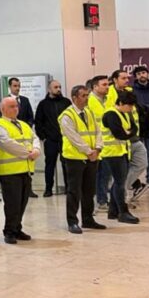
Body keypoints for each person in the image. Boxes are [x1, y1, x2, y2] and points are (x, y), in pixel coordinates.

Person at [0, 97, 41, 244]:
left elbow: (34, 138)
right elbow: (7, 144)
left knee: (22, 202)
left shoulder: (23, 124)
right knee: (12, 203)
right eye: (12, 106)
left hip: (25, 168)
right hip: (8, 171)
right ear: (3, 109)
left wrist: (37, 150)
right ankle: (9, 231)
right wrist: (28, 153)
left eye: (16, 106)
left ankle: (17, 228)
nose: (15, 109)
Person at [60, 85, 106, 233]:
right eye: (84, 96)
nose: (87, 98)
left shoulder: (89, 112)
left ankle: (88, 219)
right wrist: (88, 151)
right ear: (75, 98)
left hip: (92, 156)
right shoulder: (67, 115)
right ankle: (72, 221)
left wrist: (98, 148)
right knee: (74, 191)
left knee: (89, 190)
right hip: (75, 158)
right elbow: (74, 137)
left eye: (87, 95)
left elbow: (98, 131)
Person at [102, 92, 141, 224]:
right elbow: (119, 134)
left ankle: (113, 211)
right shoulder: (111, 114)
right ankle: (122, 212)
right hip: (111, 153)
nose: (130, 109)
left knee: (119, 181)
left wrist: (128, 133)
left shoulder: (124, 113)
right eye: (128, 106)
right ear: (120, 103)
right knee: (119, 183)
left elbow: (134, 129)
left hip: (122, 151)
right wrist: (127, 133)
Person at [34, 80, 71, 197]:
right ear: (49, 89)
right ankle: (48, 188)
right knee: (49, 164)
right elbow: (38, 122)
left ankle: (68, 188)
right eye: (56, 87)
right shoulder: (43, 104)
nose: (58, 89)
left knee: (67, 163)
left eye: (59, 87)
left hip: (65, 139)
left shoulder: (66, 102)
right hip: (50, 140)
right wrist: (43, 137)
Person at [89, 75, 114, 210]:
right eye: (104, 85)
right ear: (95, 87)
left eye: (107, 84)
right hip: (96, 144)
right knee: (102, 174)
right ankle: (101, 200)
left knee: (106, 173)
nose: (107, 87)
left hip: (108, 143)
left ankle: (104, 198)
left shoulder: (108, 99)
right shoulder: (90, 101)